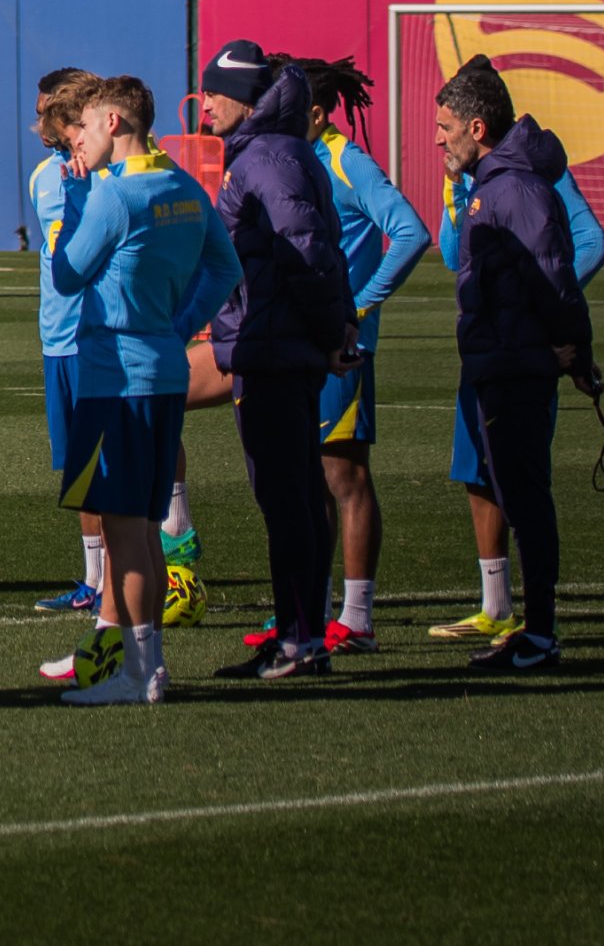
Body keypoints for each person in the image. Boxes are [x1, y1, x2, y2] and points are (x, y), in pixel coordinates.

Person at [48, 74, 240, 708]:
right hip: (162, 369)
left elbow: (69, 274)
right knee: (148, 531)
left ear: (114, 125)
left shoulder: (115, 196)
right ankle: (147, 667)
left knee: (126, 531)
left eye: (88, 124)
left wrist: (74, 202)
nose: (79, 138)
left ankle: (140, 673)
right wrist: (181, 323)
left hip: (117, 379)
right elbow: (225, 268)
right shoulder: (183, 185)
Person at [192, 39, 358, 680]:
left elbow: (308, 250)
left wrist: (328, 332)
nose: (204, 103)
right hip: (274, 345)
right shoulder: (271, 153)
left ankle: (300, 642)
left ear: (244, 98)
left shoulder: (267, 158)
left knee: (288, 500)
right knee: (292, 498)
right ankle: (300, 634)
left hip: (276, 350)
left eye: (213, 91)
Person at [435, 57, 594, 677]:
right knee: (514, 496)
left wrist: (576, 354)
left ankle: (541, 635)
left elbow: (555, 280)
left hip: (516, 368)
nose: (438, 136)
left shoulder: (517, 188)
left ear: (477, 127)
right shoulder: (491, 185)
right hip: (500, 362)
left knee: (527, 502)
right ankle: (530, 631)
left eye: (446, 124)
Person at [303, 54, 428, 651]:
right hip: (306, 345)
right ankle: (315, 613)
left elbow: (410, 230)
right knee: (312, 479)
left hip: (343, 348)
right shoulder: (301, 158)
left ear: (318, 112)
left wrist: (360, 307)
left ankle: (357, 620)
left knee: (344, 475)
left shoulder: (347, 160)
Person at [23, 67, 109, 620]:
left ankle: (147, 570)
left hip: (94, 339)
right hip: (57, 340)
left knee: (108, 467)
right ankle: (93, 579)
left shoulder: (106, 176)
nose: (36, 122)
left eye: (44, 111)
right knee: (79, 468)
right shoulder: (42, 178)